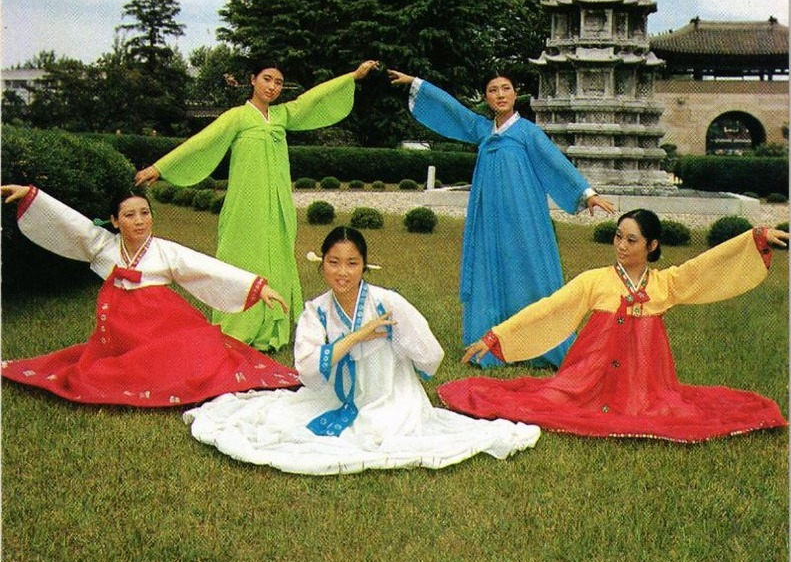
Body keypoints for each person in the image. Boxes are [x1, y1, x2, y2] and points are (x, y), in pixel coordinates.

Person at [184, 226, 541, 473]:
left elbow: (431, 354)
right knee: (281, 425)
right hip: (334, 398)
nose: (343, 272)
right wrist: (356, 337)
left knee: (381, 435)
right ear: (322, 264)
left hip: (391, 397)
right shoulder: (316, 311)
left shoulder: (388, 302)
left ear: (364, 266)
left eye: (352, 263)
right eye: (334, 262)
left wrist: (393, 341)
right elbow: (307, 370)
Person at [438, 210, 789, 442]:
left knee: (668, 407)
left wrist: (754, 238)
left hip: (644, 382)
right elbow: (549, 309)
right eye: (618, 236)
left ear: (651, 246)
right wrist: (496, 336)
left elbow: (705, 266)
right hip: (589, 376)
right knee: (548, 399)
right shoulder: (595, 280)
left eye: (631, 240)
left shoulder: (665, 283)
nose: (621, 245)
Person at [135, 58, 379, 351]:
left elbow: (312, 100)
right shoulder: (237, 117)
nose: (273, 87)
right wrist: (159, 168)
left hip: (277, 205)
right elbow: (201, 142)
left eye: (278, 82)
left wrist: (352, 76)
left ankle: (271, 332)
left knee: (276, 258)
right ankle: (237, 329)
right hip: (245, 205)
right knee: (240, 257)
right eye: (267, 79)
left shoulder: (282, 115)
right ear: (252, 80)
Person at [388, 69, 614, 367]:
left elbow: (554, 163)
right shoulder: (483, 130)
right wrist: (417, 85)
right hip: (489, 220)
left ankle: (542, 344)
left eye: (506, 88)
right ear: (487, 98)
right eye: (493, 90)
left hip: (524, 218)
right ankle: (491, 345)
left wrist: (586, 194)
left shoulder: (528, 133)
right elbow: (454, 112)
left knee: (530, 271)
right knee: (490, 272)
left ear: (514, 93)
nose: (500, 95)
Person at [0, 184, 300, 407]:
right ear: (115, 221)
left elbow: (206, 268)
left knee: (200, 361)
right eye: (129, 215)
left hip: (162, 325)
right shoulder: (103, 246)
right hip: (119, 332)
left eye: (145, 213)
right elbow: (70, 223)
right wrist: (30, 195)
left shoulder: (165, 250)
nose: (140, 220)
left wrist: (257, 287)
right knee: (97, 373)